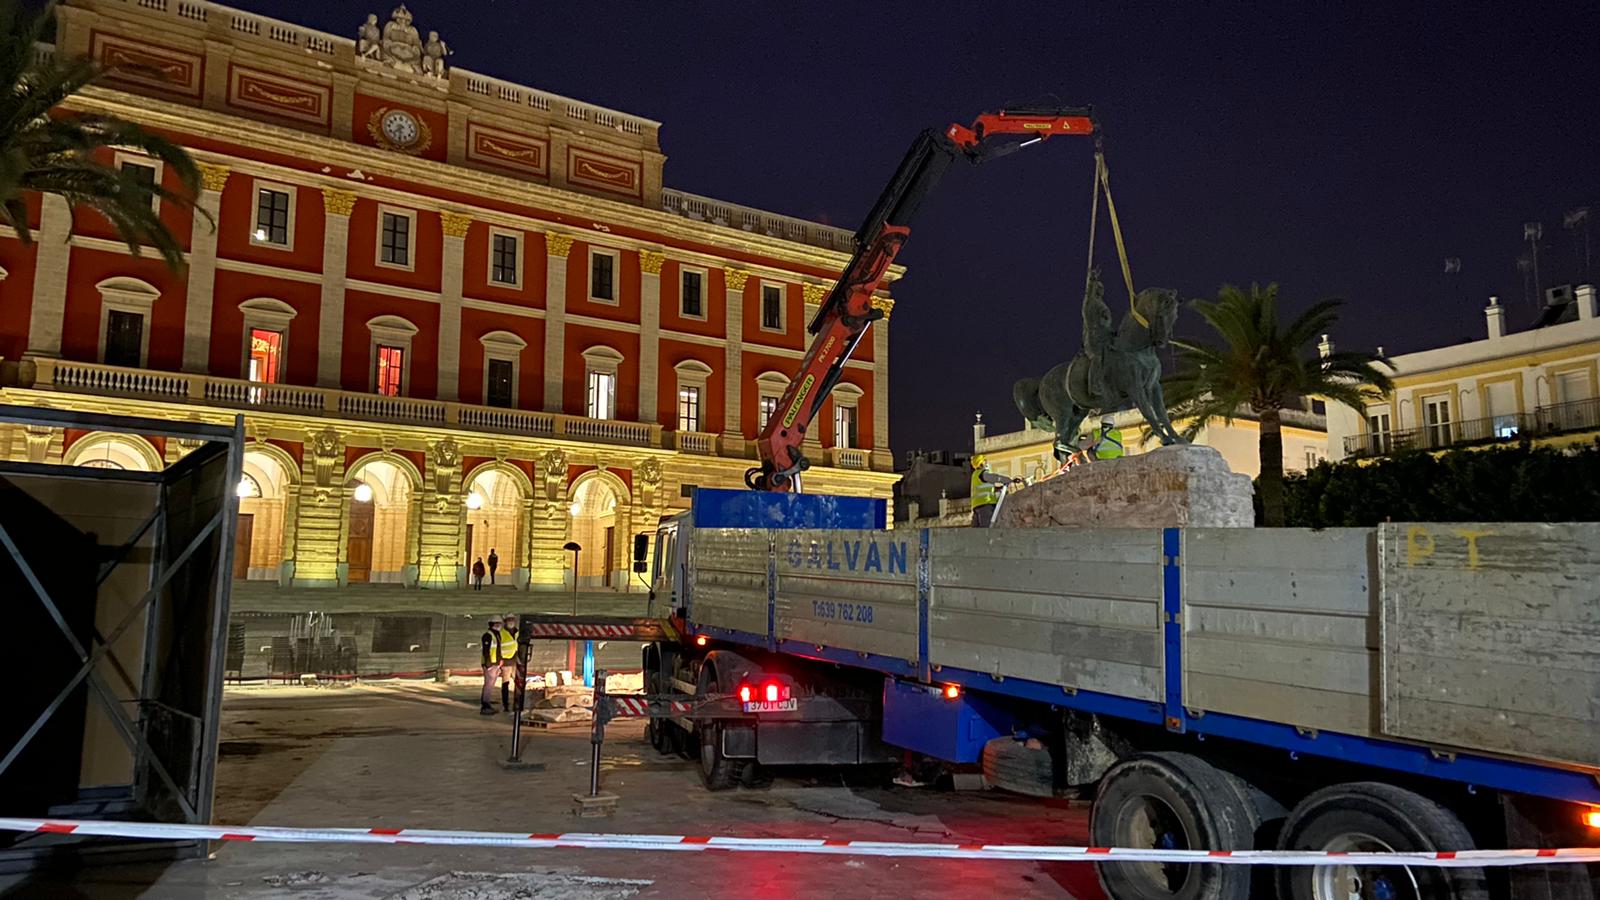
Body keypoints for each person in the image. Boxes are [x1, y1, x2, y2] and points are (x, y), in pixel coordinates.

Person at [969, 454, 1018, 528]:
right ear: (981, 463)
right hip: (986, 505)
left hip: (977, 506)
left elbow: (984, 488)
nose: (986, 462)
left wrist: (998, 488)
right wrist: (1010, 480)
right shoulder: (982, 473)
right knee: (987, 529)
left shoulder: (975, 475)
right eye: (985, 461)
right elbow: (996, 478)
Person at [479, 615, 504, 715]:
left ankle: (487, 702)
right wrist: (489, 666)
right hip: (490, 665)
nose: (499, 625)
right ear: (493, 624)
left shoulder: (497, 634)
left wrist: (500, 660)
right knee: (488, 685)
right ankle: (485, 706)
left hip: (496, 664)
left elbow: (498, 649)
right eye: (497, 624)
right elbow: (486, 651)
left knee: (490, 685)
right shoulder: (488, 635)